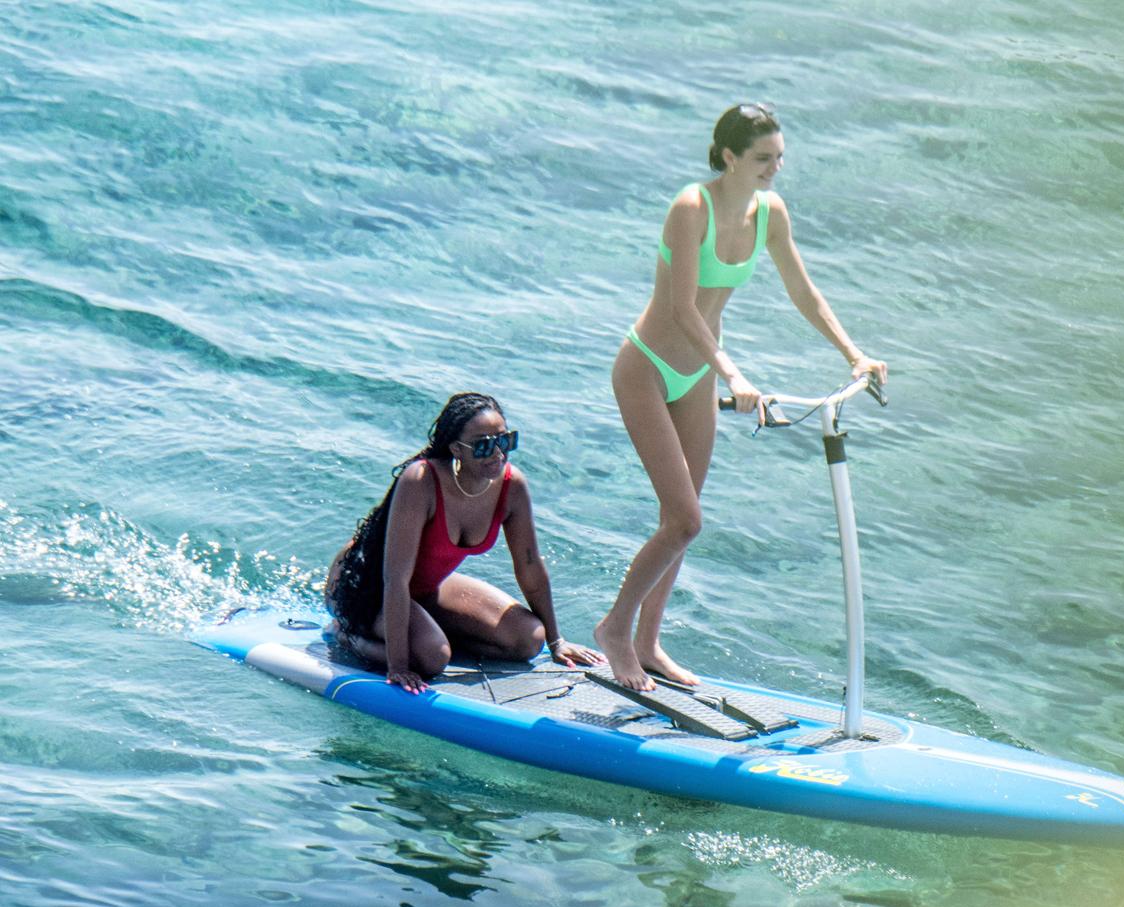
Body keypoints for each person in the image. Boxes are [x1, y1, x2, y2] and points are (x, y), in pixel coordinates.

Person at [595, 103, 889, 691]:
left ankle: (650, 644)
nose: (774, 169)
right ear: (727, 156)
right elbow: (681, 308)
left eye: (779, 157)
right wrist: (733, 374)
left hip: (697, 376)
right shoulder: (690, 208)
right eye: (762, 158)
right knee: (685, 520)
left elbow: (804, 292)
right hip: (650, 368)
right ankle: (614, 632)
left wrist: (853, 354)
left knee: (679, 519)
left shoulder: (769, 213)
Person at [326, 392, 603, 694]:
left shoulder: (512, 486)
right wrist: (399, 665)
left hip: (427, 589)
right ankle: (347, 633)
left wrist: (556, 642)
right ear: (457, 449)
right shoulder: (421, 481)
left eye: (505, 440)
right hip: (365, 585)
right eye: (484, 445)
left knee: (528, 639)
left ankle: (429, 636)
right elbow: (395, 578)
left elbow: (530, 566)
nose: (498, 453)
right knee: (431, 659)